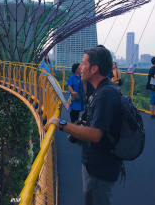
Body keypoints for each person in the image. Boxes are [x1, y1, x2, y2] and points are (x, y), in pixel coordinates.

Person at [49, 46, 122, 205]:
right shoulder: (101, 90)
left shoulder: (105, 94)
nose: (80, 67)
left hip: (100, 166)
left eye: (83, 63)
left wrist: (61, 123)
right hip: (96, 163)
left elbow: (95, 135)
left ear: (94, 69)